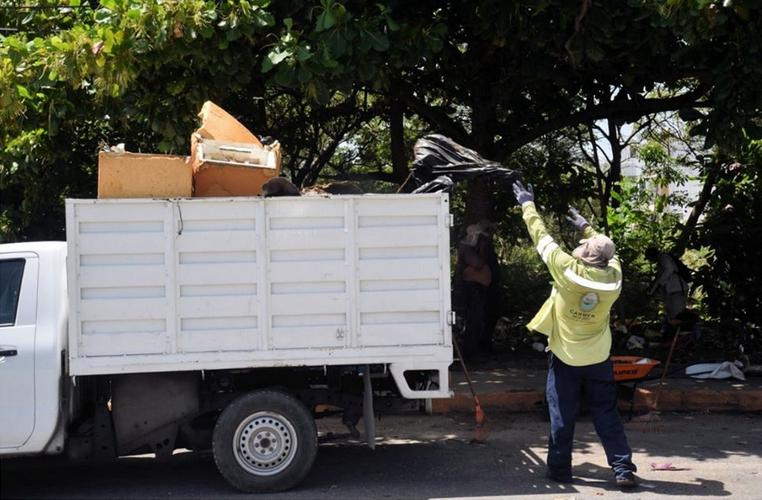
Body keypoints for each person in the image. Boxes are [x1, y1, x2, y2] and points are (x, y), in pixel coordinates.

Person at [512, 181, 638, 488]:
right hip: (598, 358)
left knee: (562, 415)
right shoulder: (614, 278)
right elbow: (611, 252)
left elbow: (541, 237)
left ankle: (559, 470)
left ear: (585, 255)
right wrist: (586, 227)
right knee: (606, 414)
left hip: (566, 358)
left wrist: (527, 204)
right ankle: (622, 468)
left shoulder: (567, 270)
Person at [454, 222, 494, 360]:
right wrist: (482, 248)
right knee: (473, 321)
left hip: (476, 289)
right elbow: (478, 263)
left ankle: (473, 351)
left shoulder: (471, 248)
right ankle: (469, 354)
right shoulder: (466, 249)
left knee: (477, 321)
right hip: (469, 290)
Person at [645, 247, 690, 327]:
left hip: (678, 289)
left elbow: (669, 270)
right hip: (671, 290)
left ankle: (681, 330)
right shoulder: (660, 263)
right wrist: (651, 291)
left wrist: (660, 284)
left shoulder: (664, 258)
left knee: (677, 314)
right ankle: (673, 331)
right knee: (671, 313)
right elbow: (659, 279)